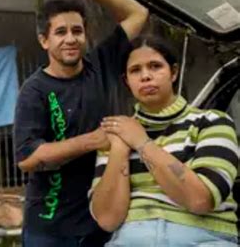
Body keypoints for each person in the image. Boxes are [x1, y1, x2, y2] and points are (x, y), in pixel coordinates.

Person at [14, 0, 149, 247]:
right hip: (50, 227)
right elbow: (27, 158)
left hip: (103, 219)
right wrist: (92, 141)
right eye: (60, 32)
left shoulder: (101, 64)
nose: (70, 39)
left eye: (77, 30)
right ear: (44, 40)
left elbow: (138, 13)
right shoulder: (34, 90)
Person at [90, 36, 239, 246]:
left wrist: (142, 143)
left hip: (205, 238)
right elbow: (107, 219)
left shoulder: (212, 122)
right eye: (135, 70)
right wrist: (118, 150)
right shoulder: (118, 134)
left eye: (155, 66)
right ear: (127, 81)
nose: (146, 76)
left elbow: (201, 199)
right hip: (132, 239)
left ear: (174, 72)